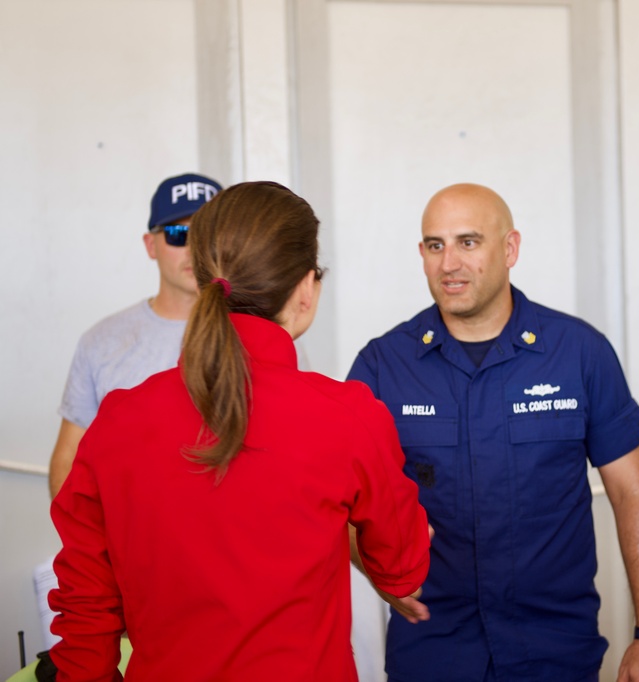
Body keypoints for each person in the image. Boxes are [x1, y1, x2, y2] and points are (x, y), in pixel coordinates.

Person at [48, 181, 431, 680]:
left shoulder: (118, 422)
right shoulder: (347, 415)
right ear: (306, 287)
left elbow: (85, 615)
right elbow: (401, 571)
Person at [347, 183, 639, 682]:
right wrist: (380, 575)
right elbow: (343, 504)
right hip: (433, 653)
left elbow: (634, 495)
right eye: (435, 246)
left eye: (468, 242)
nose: (449, 263)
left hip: (555, 654)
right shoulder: (382, 366)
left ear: (510, 249)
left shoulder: (579, 353)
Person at [48, 172, 222, 499]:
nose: (195, 248)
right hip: (126, 544)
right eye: (178, 234)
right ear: (150, 244)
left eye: (208, 235)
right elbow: (69, 460)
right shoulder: (102, 341)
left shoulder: (263, 334)